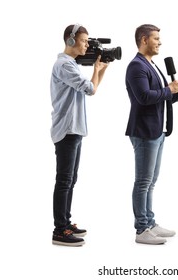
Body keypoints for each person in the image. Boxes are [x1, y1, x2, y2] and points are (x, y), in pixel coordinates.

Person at [125, 24, 178, 245]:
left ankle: (150, 223)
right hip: (144, 131)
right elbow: (144, 97)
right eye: (156, 38)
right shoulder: (136, 66)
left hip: (157, 131)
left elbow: (162, 96)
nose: (160, 42)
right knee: (143, 181)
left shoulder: (151, 65)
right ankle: (141, 230)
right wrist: (170, 90)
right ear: (143, 39)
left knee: (151, 181)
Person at [50, 24, 109, 246]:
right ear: (71, 41)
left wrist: (102, 69)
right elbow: (90, 89)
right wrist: (96, 69)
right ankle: (59, 229)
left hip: (74, 129)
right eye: (84, 41)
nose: (87, 45)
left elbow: (92, 89)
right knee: (64, 180)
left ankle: (65, 222)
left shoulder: (70, 65)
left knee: (70, 179)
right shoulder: (65, 65)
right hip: (67, 128)